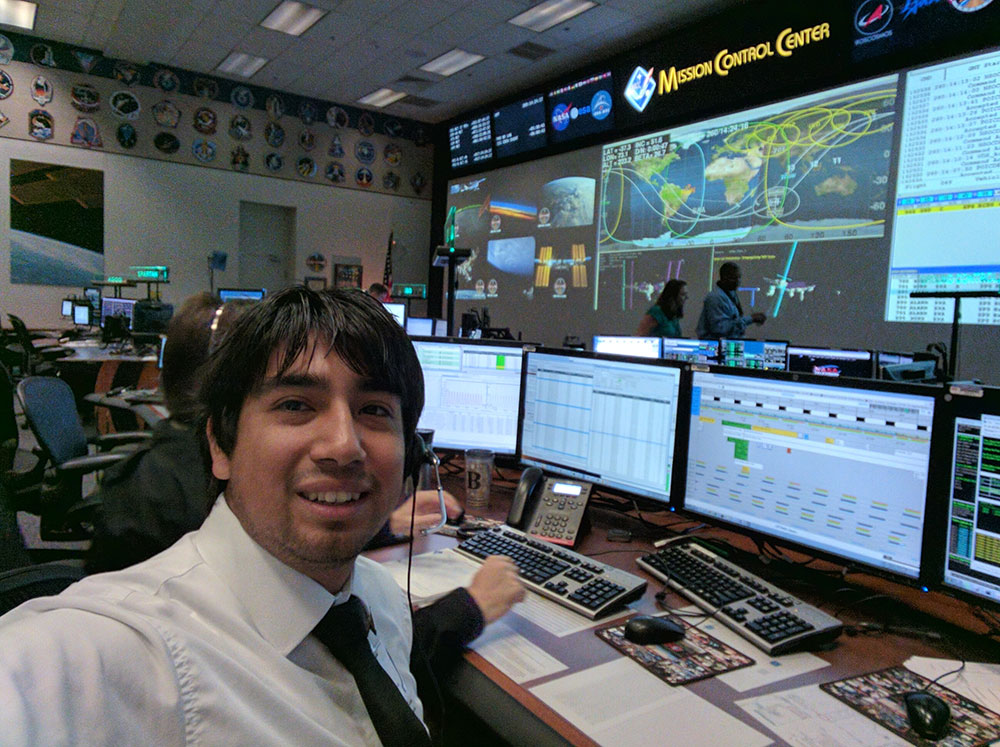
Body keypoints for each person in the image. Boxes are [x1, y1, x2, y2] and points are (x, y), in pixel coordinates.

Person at [0, 287, 524, 744]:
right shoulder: (117, 655)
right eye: (296, 404)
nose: (344, 446)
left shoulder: (378, 598)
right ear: (220, 447)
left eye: (374, 410)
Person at [696, 261, 766, 339]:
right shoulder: (715, 297)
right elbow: (720, 329)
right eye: (734, 278)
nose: (738, 282)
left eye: (739, 277)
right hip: (715, 346)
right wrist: (750, 319)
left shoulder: (730, 293)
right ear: (724, 278)